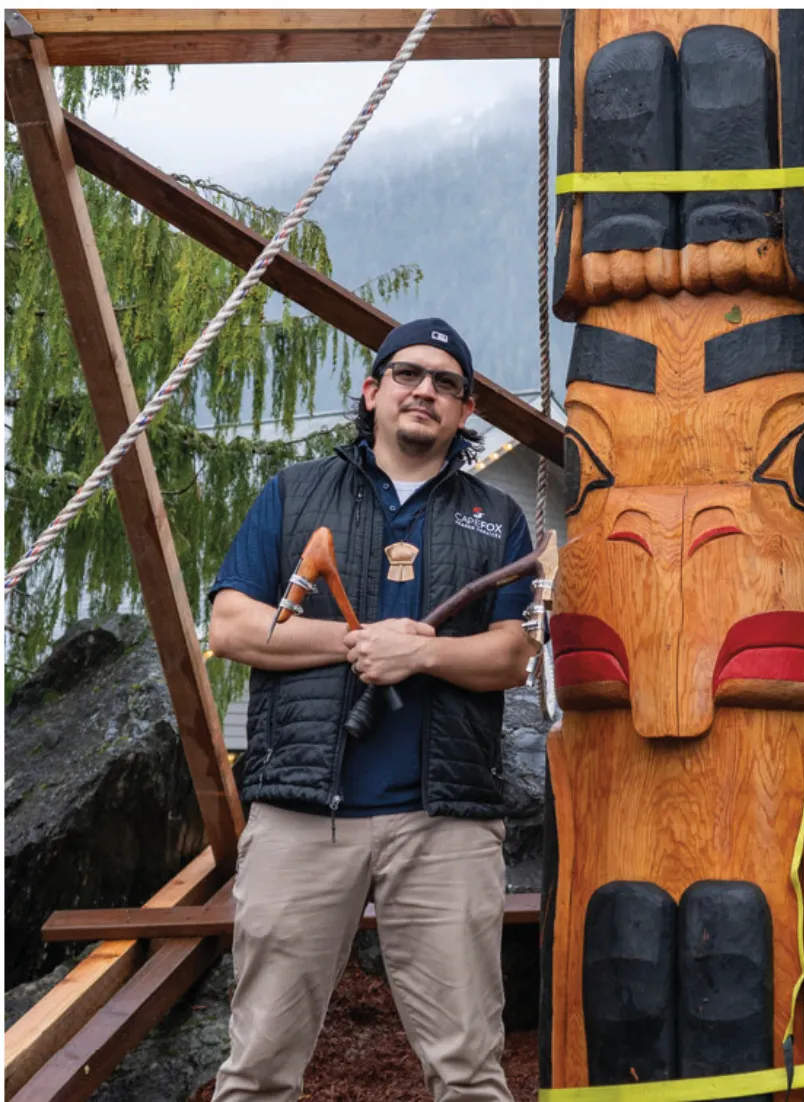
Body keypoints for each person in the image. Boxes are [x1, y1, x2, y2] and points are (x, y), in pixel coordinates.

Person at [206, 317, 537, 1102]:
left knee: (469, 1074)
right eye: (407, 375)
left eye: (447, 383)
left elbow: (510, 657)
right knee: (256, 1071)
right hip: (300, 815)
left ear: (465, 410)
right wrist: (358, 642)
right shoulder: (295, 495)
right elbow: (233, 625)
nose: (425, 390)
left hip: (445, 821)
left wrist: (418, 653)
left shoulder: (497, 517)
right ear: (373, 390)